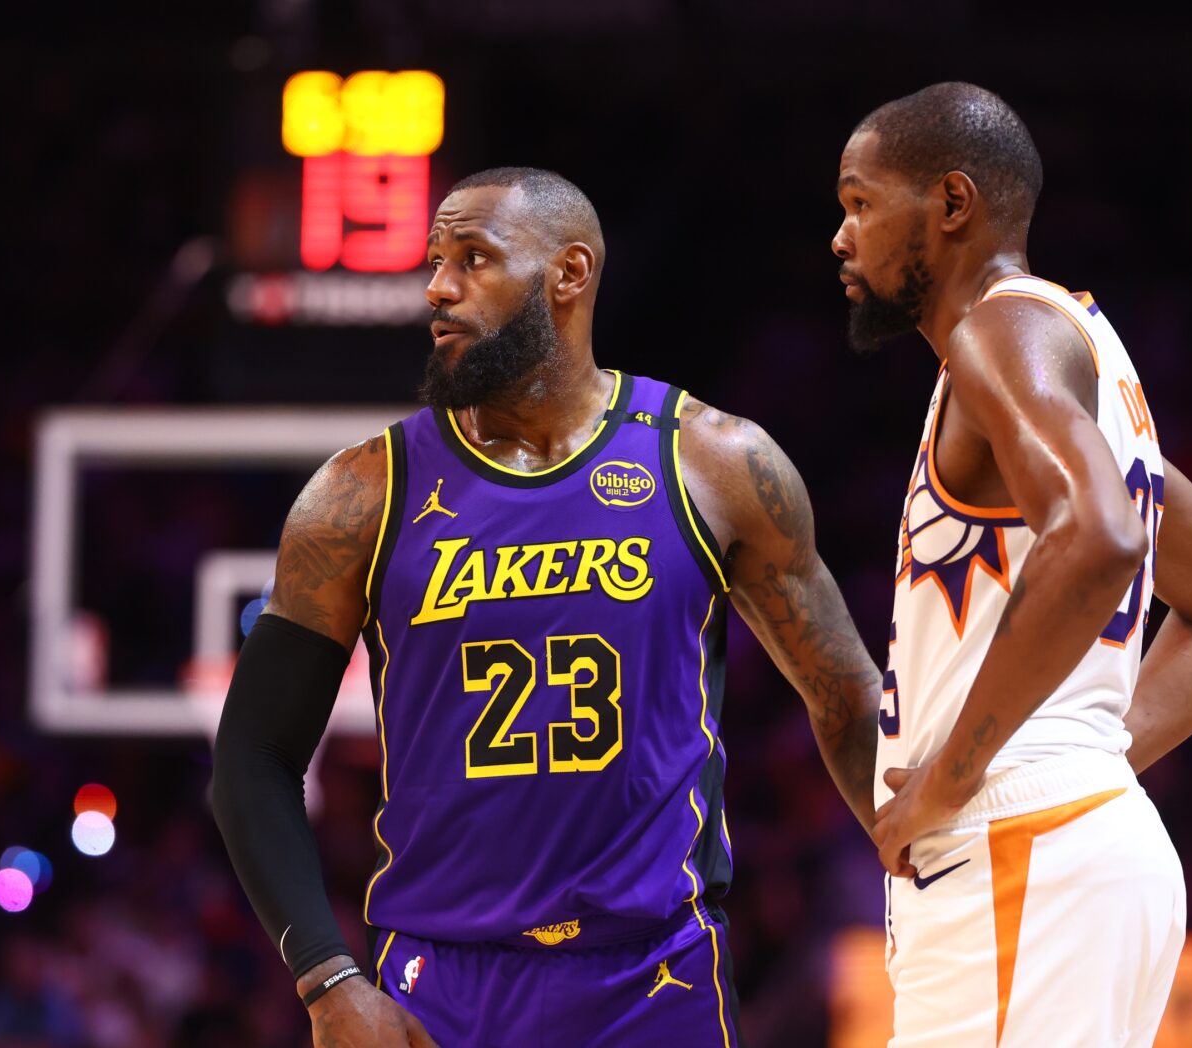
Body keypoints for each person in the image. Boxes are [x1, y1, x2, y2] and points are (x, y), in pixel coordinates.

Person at [212, 166, 881, 1048]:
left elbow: (848, 698)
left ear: (569, 274)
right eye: (435, 261)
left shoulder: (712, 465)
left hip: (654, 977)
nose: (438, 288)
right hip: (440, 987)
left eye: (474, 259)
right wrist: (328, 980)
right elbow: (252, 758)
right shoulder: (361, 494)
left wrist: (934, 864)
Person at [831, 83, 1192, 1047]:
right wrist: (1088, 755)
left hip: (1018, 852)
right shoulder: (1076, 356)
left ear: (951, 205)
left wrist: (958, 773)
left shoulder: (999, 334)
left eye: (861, 202)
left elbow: (1102, 536)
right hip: (1062, 842)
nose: (841, 237)